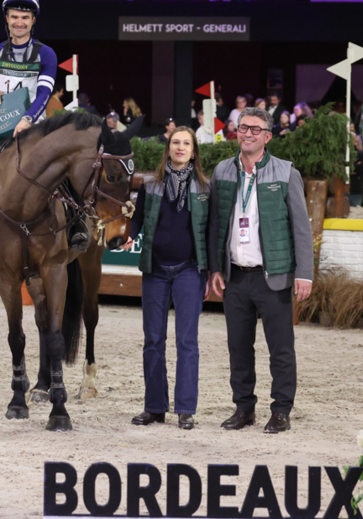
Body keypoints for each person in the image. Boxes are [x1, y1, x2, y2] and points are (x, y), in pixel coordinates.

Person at [0, 0, 85, 266]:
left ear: (33, 20)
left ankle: (76, 225)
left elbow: (42, 94)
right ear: (6, 18)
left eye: (25, 17)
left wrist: (27, 119)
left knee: (66, 165)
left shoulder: (46, 54)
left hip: (34, 127)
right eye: (14, 16)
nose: (19, 22)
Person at [208, 106, 314, 434]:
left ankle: (281, 411)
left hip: (275, 277)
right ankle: (244, 408)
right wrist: (215, 268)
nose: (248, 134)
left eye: (256, 129)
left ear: (267, 136)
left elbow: (301, 227)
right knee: (238, 347)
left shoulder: (285, 172)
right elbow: (214, 225)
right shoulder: (223, 171)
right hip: (235, 276)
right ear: (236, 132)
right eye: (243, 128)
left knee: (280, 348)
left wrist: (304, 273)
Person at [126, 127, 211, 430]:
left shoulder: (204, 187)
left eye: (186, 143)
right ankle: (154, 407)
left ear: (193, 150)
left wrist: (212, 272)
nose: (180, 147)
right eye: (176, 142)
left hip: (189, 270)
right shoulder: (151, 185)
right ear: (168, 148)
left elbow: (210, 231)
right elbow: (137, 218)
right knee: (153, 340)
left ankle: (185, 409)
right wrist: (130, 236)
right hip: (156, 270)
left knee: (187, 341)